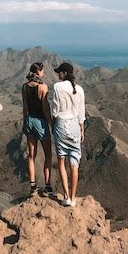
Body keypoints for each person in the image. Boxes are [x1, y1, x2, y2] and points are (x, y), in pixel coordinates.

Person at [51, 62, 85, 207]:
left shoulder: (57, 87)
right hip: (75, 126)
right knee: (74, 163)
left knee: (61, 161)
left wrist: (53, 124)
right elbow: (81, 112)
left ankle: (66, 196)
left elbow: (55, 109)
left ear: (64, 73)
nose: (58, 74)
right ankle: (73, 198)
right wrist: (81, 129)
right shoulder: (80, 89)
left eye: (59, 72)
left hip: (61, 124)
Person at [22, 62, 53, 196]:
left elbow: (25, 107)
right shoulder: (42, 87)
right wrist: (51, 123)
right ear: (38, 72)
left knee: (31, 156)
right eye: (43, 71)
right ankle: (47, 185)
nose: (44, 73)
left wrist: (25, 122)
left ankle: (33, 186)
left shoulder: (24, 87)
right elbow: (45, 108)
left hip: (29, 120)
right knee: (48, 155)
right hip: (40, 122)